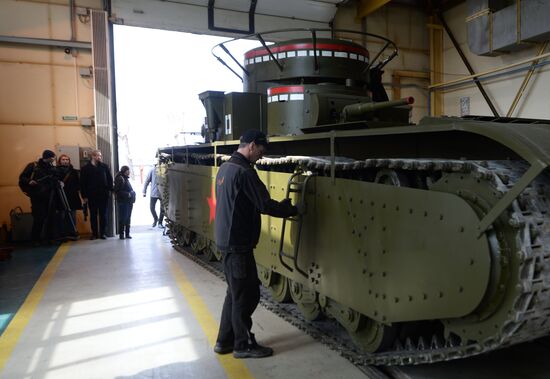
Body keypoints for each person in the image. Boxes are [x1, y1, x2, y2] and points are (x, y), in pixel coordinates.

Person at [214, 130, 298, 359]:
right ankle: (242, 345)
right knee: (247, 295)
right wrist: (291, 209)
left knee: (235, 293)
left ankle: (224, 341)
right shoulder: (244, 172)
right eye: (261, 151)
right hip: (238, 243)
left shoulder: (225, 168)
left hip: (227, 241)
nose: (261, 156)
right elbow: (264, 204)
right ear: (252, 145)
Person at [18, 149, 58, 244]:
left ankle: (50, 238)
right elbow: (22, 178)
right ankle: (35, 239)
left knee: (51, 218)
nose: (53, 159)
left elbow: (54, 179)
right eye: (52, 158)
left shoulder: (52, 167)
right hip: (37, 197)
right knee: (39, 218)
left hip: (50, 196)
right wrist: (29, 181)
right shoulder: (33, 166)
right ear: (47, 157)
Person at [80, 149, 113, 240]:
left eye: (100, 156)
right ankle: (94, 233)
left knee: (103, 215)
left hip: (103, 195)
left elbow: (110, 180)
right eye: (98, 156)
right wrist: (84, 196)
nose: (99, 157)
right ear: (93, 156)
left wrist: (110, 191)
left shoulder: (104, 167)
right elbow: (83, 183)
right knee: (93, 215)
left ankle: (102, 233)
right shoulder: (85, 168)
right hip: (91, 196)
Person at [55, 154, 82, 240]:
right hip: (60, 197)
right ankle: (62, 234)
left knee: (72, 215)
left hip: (72, 196)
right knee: (61, 216)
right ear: (60, 161)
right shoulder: (55, 171)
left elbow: (78, 183)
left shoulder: (74, 171)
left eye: (67, 159)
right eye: (63, 159)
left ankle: (72, 232)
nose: (65, 161)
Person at [114, 166, 136, 239]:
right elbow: (117, 191)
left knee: (128, 218)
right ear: (124, 171)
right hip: (123, 202)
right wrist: (128, 194)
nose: (129, 172)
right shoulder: (120, 179)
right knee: (123, 218)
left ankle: (127, 234)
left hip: (129, 202)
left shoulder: (126, 178)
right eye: (128, 170)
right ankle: (121, 234)